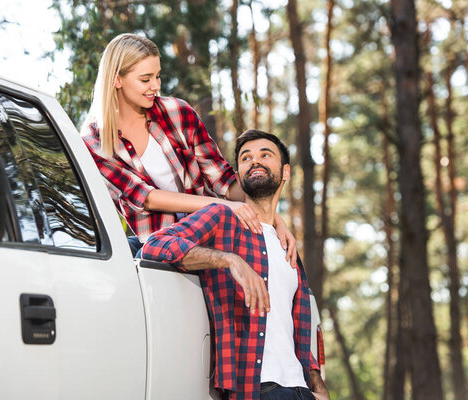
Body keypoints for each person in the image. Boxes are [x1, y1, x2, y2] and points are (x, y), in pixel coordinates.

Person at [142, 130, 330, 400]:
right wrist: (229, 259)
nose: (255, 161)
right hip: (256, 389)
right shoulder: (221, 217)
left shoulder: (286, 244)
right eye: (246, 158)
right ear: (239, 175)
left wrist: (317, 382)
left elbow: (292, 323)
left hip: (301, 390)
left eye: (265, 154)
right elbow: (155, 246)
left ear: (285, 172)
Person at [80, 33, 296, 260]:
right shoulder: (94, 142)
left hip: (211, 232)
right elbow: (146, 198)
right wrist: (219, 207)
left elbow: (223, 180)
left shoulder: (177, 112)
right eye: (145, 79)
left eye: (158, 76)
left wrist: (273, 219)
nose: (155, 86)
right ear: (117, 80)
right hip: (161, 245)